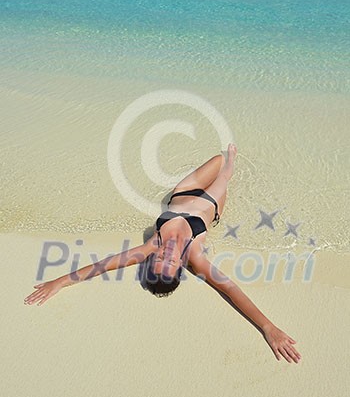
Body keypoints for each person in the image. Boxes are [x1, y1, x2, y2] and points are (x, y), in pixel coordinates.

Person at [24, 144, 301, 364]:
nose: (166, 254)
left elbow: (103, 265)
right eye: (171, 261)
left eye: (160, 260)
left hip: (182, 192)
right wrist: (268, 327)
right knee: (224, 165)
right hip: (211, 204)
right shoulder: (194, 253)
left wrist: (59, 281)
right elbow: (230, 289)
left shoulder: (152, 245)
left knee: (217, 156)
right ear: (180, 265)